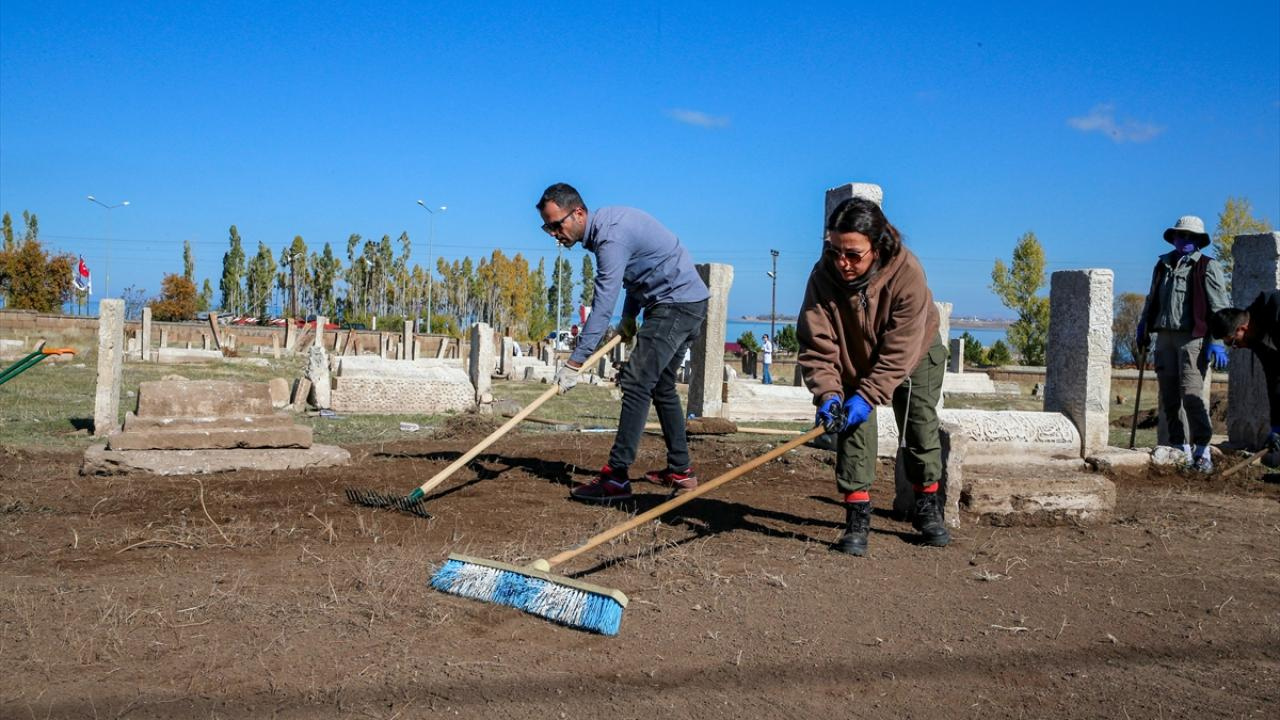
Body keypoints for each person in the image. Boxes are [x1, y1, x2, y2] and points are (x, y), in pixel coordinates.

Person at [537, 183, 710, 501]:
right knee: (661, 385)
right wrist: (630, 317)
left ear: (578, 213)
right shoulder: (609, 228)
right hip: (688, 303)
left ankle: (616, 477)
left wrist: (575, 362)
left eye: (556, 224)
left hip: (674, 304)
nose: (552, 233)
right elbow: (638, 274)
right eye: (547, 226)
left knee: (636, 381)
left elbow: (602, 304)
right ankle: (680, 470)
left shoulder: (610, 237)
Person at [798, 195, 949, 556]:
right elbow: (817, 341)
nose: (842, 262)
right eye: (835, 250)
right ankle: (856, 515)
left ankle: (928, 506)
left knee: (919, 426)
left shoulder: (907, 273)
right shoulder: (823, 276)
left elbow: (900, 350)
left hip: (914, 354)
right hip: (854, 357)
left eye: (853, 254)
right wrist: (829, 394)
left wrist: (867, 397)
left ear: (877, 247)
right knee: (850, 429)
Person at [1136, 215, 1230, 473]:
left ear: (1199, 241)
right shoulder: (1162, 265)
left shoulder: (1208, 266)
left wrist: (1217, 341)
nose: (1185, 240)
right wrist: (1144, 325)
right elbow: (1151, 298)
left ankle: (1202, 449)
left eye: (1191, 237)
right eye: (1181, 235)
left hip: (1193, 338)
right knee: (1169, 396)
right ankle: (1179, 448)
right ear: (1174, 237)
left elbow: (1219, 307)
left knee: (1191, 394)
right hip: (1164, 337)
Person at [1209, 291, 1280, 466]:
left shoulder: (1275, 310)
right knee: (1272, 459)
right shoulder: (1257, 341)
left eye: (1233, 342)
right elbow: (1275, 382)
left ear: (1242, 329)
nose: (1236, 348)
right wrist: (1276, 427)